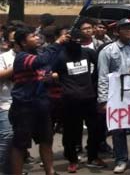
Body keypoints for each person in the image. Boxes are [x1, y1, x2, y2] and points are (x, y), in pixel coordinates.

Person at [9, 26, 69, 175]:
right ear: (23, 42)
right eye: (32, 36)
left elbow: (44, 69)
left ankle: (50, 171)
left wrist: (48, 78)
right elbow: (42, 61)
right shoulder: (23, 57)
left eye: (37, 35)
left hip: (42, 106)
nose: (37, 38)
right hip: (24, 108)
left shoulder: (39, 54)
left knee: (46, 141)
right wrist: (58, 42)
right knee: (20, 145)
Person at [97, 18, 130, 174]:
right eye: (125, 28)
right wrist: (103, 100)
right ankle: (121, 159)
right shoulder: (108, 51)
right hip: (116, 97)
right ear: (116, 32)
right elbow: (103, 76)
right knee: (118, 129)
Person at [54, 26, 103, 172]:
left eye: (78, 40)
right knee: (70, 133)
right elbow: (50, 71)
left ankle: (93, 156)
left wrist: (92, 83)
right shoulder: (60, 56)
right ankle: (72, 159)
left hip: (89, 98)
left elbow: (101, 68)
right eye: (72, 40)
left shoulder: (88, 52)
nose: (76, 42)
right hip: (70, 101)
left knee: (96, 129)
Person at [0, 30, 16, 175]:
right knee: (7, 137)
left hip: (25, 104)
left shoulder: (34, 57)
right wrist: (19, 65)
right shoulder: (4, 57)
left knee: (16, 142)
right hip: (5, 103)